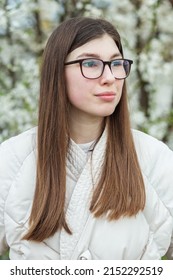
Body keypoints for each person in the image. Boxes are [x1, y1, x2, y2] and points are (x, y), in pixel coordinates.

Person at [0, 17, 173, 260]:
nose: (109, 77)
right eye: (90, 63)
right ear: (56, 72)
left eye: (116, 63)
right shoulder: (12, 159)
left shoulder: (155, 159)